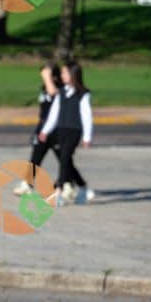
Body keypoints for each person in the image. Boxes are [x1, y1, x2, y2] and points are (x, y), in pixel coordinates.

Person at [39, 61, 95, 205]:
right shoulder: (61, 92)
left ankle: (58, 192)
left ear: (73, 74)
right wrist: (45, 130)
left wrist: (87, 137)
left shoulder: (83, 94)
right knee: (66, 161)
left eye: (65, 72)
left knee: (64, 158)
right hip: (61, 131)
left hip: (74, 131)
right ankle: (82, 186)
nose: (62, 75)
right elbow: (54, 113)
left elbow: (87, 116)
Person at [13, 64, 63, 195]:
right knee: (36, 157)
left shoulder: (60, 89)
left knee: (64, 160)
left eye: (47, 74)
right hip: (43, 128)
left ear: (55, 77)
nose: (44, 77)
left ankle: (66, 184)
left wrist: (48, 77)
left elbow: (53, 93)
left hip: (56, 130)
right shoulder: (45, 88)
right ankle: (27, 184)